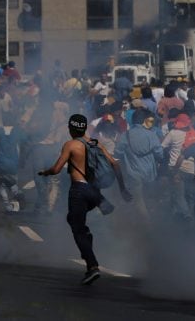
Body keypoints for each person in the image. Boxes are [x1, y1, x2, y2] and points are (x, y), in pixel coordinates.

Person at [38, 114, 132, 285]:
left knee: (77, 228)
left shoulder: (70, 145)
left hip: (79, 190)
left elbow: (57, 168)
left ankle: (92, 266)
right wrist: (123, 189)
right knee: (74, 220)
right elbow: (115, 164)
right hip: (93, 192)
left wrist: (46, 172)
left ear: (71, 128)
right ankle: (100, 208)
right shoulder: (95, 144)